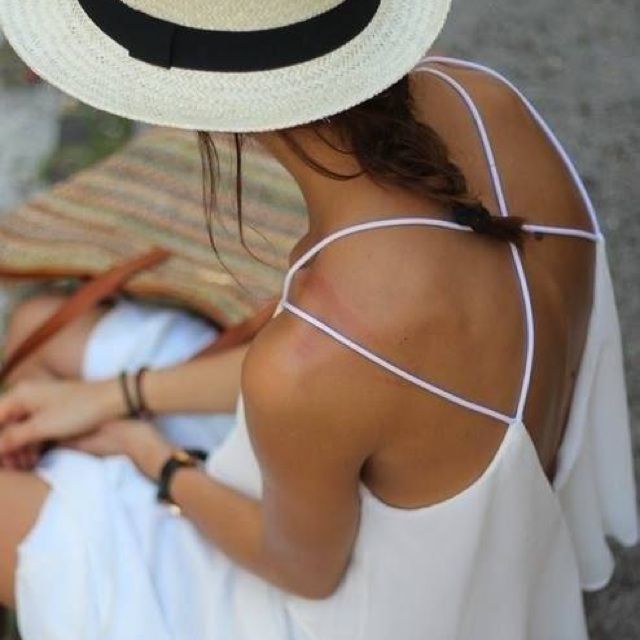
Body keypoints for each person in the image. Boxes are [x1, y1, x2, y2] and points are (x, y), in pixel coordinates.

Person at [0, 1, 637, 638]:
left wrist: (146, 453)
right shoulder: (483, 96)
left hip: (346, 607)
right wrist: (116, 395)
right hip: (452, 514)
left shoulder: (319, 343)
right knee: (37, 326)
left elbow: (303, 572)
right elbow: (360, 380)